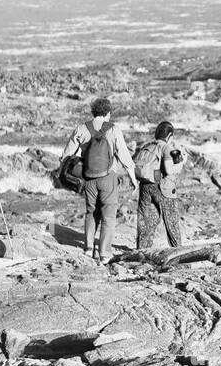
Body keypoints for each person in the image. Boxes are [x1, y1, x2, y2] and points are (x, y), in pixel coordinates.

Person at [60, 97, 136, 264]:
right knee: (108, 216)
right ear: (108, 113)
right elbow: (125, 157)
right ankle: (104, 254)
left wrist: (71, 173)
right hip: (108, 178)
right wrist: (133, 179)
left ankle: (88, 248)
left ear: (93, 112)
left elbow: (65, 156)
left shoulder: (81, 128)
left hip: (88, 178)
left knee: (91, 212)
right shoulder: (113, 129)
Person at [134, 121, 184, 249]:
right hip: (162, 188)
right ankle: (177, 250)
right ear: (169, 135)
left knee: (146, 221)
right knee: (171, 221)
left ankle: (142, 251)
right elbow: (168, 170)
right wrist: (180, 164)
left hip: (145, 186)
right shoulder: (167, 148)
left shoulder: (147, 145)